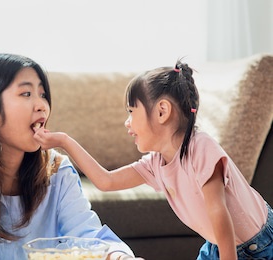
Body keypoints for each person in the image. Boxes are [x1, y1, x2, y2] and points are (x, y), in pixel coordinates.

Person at [33, 60, 273, 260]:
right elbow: (106, 181)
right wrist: (64, 141)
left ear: (161, 111)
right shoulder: (155, 164)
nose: (127, 122)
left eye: (131, 111)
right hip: (219, 246)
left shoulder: (201, 147)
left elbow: (218, 213)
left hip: (260, 245)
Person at [0, 53, 142, 260]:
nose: (42, 106)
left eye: (43, 94)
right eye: (26, 93)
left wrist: (119, 256)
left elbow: (87, 235)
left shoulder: (57, 170)